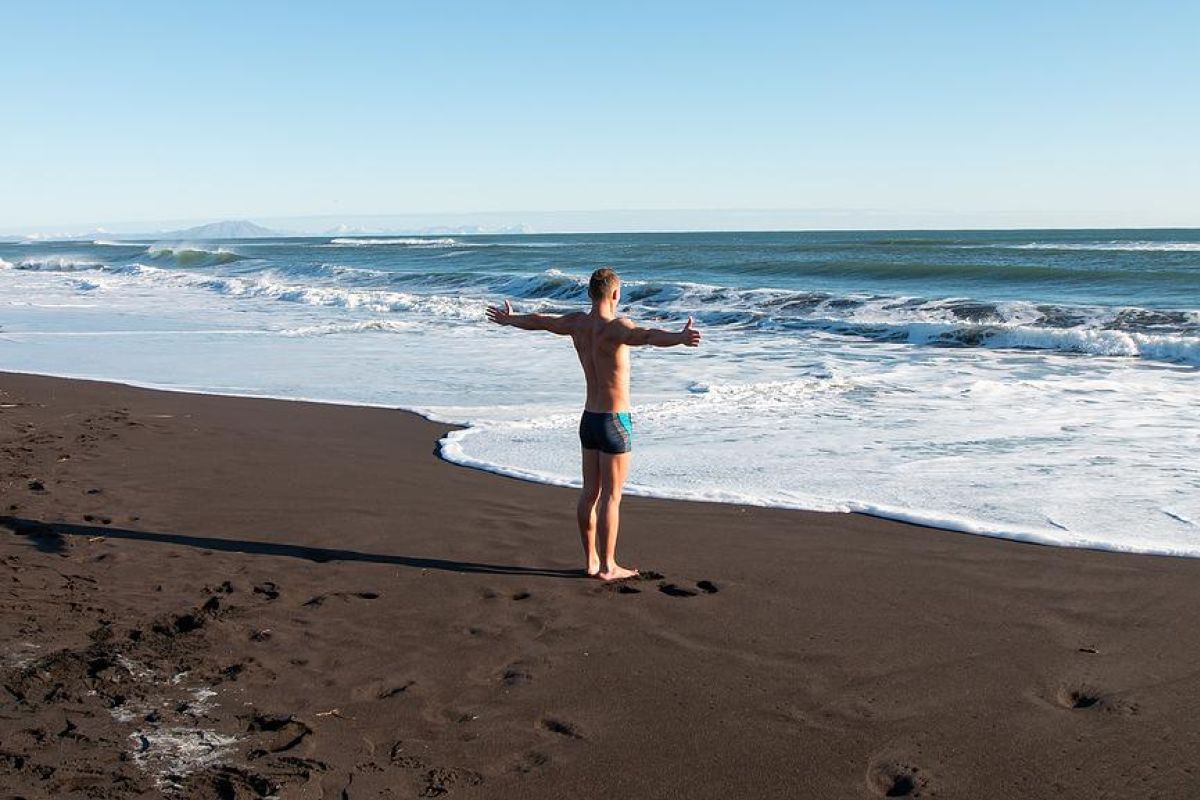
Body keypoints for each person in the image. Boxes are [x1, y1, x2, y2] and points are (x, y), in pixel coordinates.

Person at [486, 267, 701, 581]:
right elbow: (649, 336)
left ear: (589, 294)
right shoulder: (617, 327)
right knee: (612, 497)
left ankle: (591, 561)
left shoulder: (577, 324)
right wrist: (680, 338)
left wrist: (509, 319)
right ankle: (609, 566)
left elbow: (540, 322)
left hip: (589, 420)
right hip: (615, 422)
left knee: (590, 493)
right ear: (616, 294)